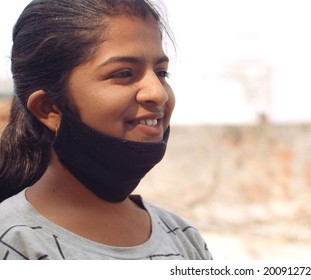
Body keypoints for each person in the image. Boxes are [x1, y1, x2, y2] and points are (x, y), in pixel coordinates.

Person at [0, 0, 212, 260]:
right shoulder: (15, 243)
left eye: (161, 73)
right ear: (49, 108)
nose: (158, 94)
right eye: (123, 73)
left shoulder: (182, 236)